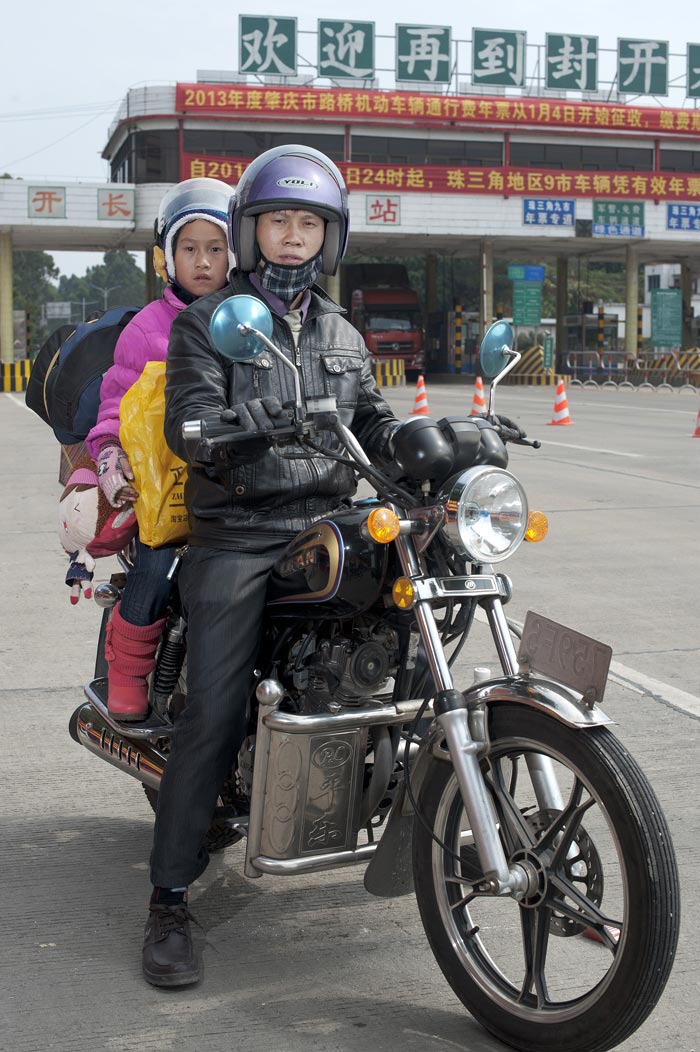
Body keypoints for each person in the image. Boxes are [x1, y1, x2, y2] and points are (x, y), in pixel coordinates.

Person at [141, 144, 400, 987]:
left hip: (330, 520)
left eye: (309, 224)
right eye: (278, 222)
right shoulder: (206, 321)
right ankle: (170, 899)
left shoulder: (343, 331)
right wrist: (218, 430)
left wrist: (443, 446)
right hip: (242, 531)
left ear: (330, 239)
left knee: (421, 610)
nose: (293, 237)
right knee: (214, 707)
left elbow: (378, 422)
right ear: (251, 233)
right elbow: (190, 419)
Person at [85, 177, 234, 722]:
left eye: (215, 249)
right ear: (166, 257)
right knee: (155, 569)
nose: (202, 261)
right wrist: (109, 457)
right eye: (188, 248)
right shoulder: (147, 328)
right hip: (166, 496)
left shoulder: (246, 317)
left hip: (237, 485)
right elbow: (113, 406)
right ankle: (126, 668)